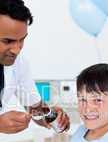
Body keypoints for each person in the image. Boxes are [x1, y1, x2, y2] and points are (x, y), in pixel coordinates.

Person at [0, 0, 70, 134]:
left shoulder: (19, 64)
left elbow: (36, 108)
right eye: (8, 41)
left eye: (22, 39)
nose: (16, 50)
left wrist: (51, 116)